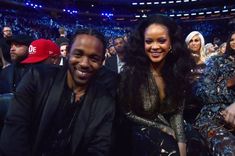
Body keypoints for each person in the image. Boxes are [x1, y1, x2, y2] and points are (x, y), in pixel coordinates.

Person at [0, 28, 116, 156]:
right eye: (78, 54)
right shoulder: (37, 78)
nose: (84, 63)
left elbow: (98, 149)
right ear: (67, 54)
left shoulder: (105, 101)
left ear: (101, 62)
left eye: (94, 58)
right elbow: (14, 132)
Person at [116, 15, 194, 156]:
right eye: (149, 41)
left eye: (162, 41)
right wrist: (162, 128)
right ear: (142, 44)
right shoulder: (130, 73)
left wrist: (182, 144)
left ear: (171, 43)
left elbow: (177, 113)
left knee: (195, 145)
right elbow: (128, 113)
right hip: (140, 128)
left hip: (171, 124)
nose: (155, 47)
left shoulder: (178, 71)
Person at [194, 31, 235, 155]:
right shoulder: (216, 61)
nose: (234, 42)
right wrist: (228, 84)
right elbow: (201, 90)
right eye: (232, 39)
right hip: (214, 116)